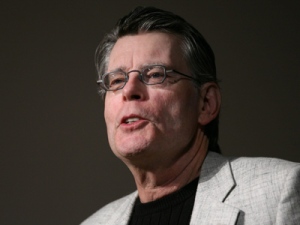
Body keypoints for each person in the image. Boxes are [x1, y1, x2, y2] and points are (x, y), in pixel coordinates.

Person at [81, 6, 300, 225]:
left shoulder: (280, 190)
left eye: (156, 74)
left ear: (206, 103)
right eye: (117, 81)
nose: (129, 91)